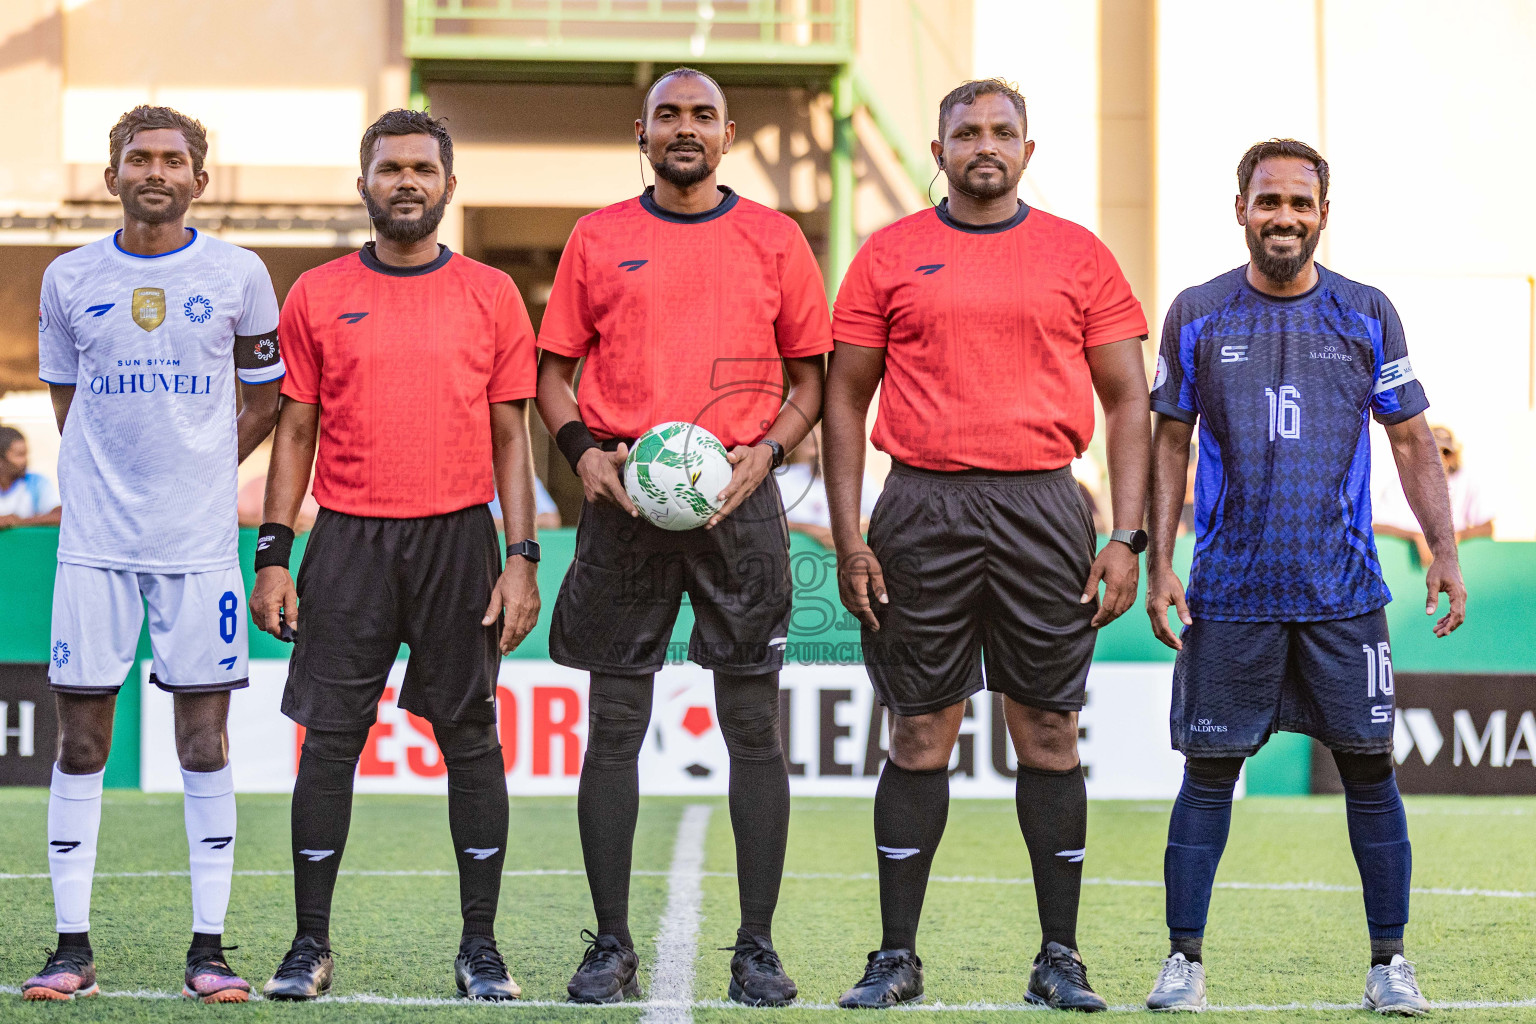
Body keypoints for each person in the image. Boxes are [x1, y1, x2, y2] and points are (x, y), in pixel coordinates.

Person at [824, 78, 1151, 1011]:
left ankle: (1059, 958)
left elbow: (1129, 399)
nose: (985, 145)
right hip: (920, 507)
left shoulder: (1077, 255)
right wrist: (851, 536)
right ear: (939, 149)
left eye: (1003, 131)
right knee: (921, 729)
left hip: (1046, 508)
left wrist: (1125, 533)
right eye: (966, 131)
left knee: (1047, 729)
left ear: (1028, 152)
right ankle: (896, 957)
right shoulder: (889, 254)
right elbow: (846, 398)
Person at [1143, 139, 1466, 1015]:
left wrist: (1443, 548)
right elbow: (1169, 439)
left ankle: (1389, 966)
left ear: (1325, 213)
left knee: (1370, 770)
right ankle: (1184, 964)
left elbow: (1408, 438)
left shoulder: (1367, 312)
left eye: (1300, 202)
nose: (1283, 216)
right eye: (1267, 201)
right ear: (1240, 209)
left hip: (1343, 592)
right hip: (1232, 592)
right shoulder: (1198, 313)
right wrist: (1160, 560)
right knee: (1208, 773)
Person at [535, 67, 830, 1007]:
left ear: (729, 134)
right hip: (626, 500)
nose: (686, 128)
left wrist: (766, 455)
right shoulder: (598, 237)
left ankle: (756, 947)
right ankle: (611, 944)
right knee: (614, 726)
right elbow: (551, 375)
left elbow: (810, 381)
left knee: (752, 727)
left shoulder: (775, 239)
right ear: (642, 131)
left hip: (736, 499)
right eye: (670, 114)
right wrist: (582, 451)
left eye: (703, 114)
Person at [250, 109, 540, 1002]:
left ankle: (480, 947)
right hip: (346, 540)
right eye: (390, 168)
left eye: (423, 168)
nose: (406, 181)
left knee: (470, 739)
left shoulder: (491, 294)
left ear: (449, 186)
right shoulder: (316, 292)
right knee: (329, 742)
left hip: (458, 538)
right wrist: (272, 552)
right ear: (364, 181)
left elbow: (511, 436)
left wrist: (520, 555)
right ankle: (309, 946)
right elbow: (294, 431)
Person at [26, 105, 284, 1003]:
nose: (156, 172)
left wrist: (197, 472)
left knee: (204, 741)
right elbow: (70, 404)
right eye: (139, 158)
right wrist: (118, 473)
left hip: (199, 547)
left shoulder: (241, 274)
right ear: (113, 177)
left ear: (198, 181)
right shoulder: (67, 276)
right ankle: (70, 949)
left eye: (174, 160)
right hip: (94, 545)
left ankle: (208, 949)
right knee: (82, 738)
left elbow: (265, 399)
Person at [1374, 424, 1492, 564]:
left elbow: (1487, 527)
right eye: (1433, 452)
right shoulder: (1400, 483)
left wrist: (1458, 536)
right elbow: (1377, 525)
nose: (1440, 459)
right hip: (1410, 568)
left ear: (1454, 455)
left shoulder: (1466, 481)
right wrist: (1415, 537)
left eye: (1446, 452)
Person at [777, 427, 879, 549]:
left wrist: (847, 535)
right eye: (812, 446)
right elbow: (773, 523)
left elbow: (880, 519)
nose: (818, 453)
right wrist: (814, 531)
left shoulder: (859, 478)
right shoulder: (782, 477)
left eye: (824, 445)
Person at [0, 425, 62, 528]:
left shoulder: (37, 482)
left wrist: (19, 522)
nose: (25, 461)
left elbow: (60, 515)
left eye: (26, 454)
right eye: (19, 455)